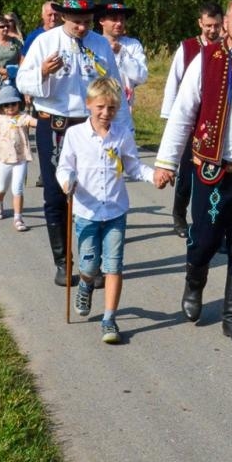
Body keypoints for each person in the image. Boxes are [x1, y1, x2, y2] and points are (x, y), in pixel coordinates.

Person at [153, 0, 232, 347]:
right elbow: (183, 113)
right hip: (213, 168)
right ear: (225, 25)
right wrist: (165, 162)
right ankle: (195, 283)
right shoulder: (207, 61)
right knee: (204, 238)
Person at [16, 0, 122, 286]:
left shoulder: (100, 45)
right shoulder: (45, 42)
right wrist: (42, 73)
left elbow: (113, 88)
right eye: (76, 22)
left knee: (96, 193)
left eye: (87, 22)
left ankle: (91, 262)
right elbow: (22, 81)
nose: (81, 28)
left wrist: (121, 130)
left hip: (91, 126)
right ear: (64, 16)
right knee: (56, 194)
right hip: (55, 124)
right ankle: (64, 262)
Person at [58, 78, 155, 344]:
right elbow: (64, 166)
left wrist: (153, 175)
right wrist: (67, 181)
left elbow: (133, 166)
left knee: (114, 266)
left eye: (111, 108)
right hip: (86, 212)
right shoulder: (75, 135)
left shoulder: (122, 133)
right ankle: (86, 284)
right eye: (100, 106)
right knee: (89, 265)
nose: (105, 113)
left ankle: (109, 319)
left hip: (115, 210)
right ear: (88, 104)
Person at [161, 2, 224, 237]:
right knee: (186, 174)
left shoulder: (227, 49)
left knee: (214, 176)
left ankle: (212, 221)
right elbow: (173, 83)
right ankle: (179, 215)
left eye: (216, 25)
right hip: (191, 123)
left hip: (216, 123)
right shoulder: (187, 48)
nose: (212, 30)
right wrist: (170, 119)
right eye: (208, 25)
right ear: (200, 23)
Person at [95, 0, 149, 136]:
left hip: (123, 112)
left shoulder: (132, 45)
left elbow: (142, 76)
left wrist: (122, 53)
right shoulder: (93, 44)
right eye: (114, 19)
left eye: (122, 19)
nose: (119, 23)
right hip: (96, 112)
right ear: (102, 20)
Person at [0, 84, 39, 232]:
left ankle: (18, 217)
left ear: (19, 103)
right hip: (5, 159)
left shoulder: (23, 117)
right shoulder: (1, 119)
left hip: (21, 159)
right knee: (2, 187)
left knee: (17, 188)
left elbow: (36, 123)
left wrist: (49, 122)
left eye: (13, 103)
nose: (10, 107)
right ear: (2, 107)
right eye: (6, 105)